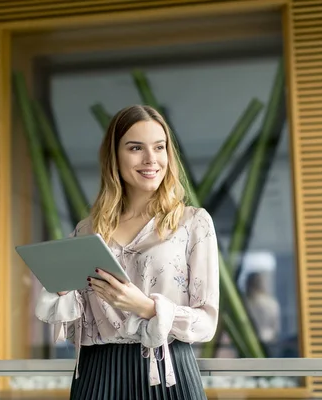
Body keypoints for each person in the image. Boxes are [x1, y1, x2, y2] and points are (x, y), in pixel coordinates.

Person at [35, 104, 219, 399]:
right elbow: (74, 327)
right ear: (114, 157)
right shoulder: (87, 230)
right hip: (97, 375)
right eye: (136, 148)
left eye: (159, 148)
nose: (151, 159)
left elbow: (207, 322)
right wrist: (61, 290)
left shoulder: (194, 223)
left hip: (167, 374)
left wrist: (146, 308)